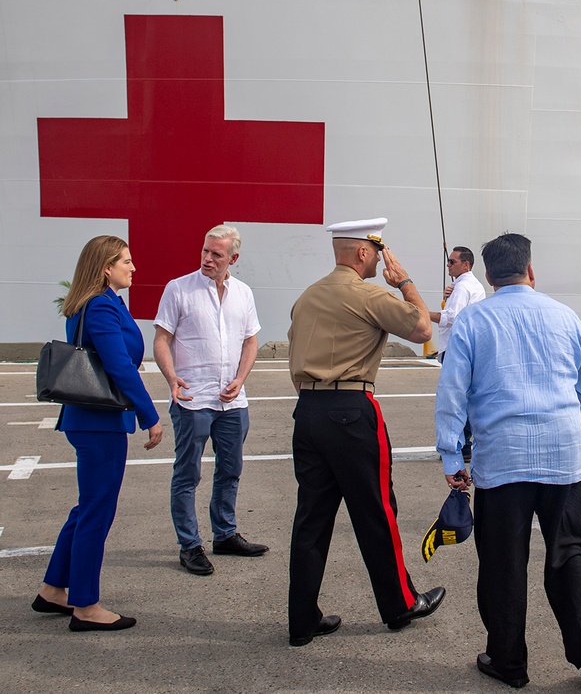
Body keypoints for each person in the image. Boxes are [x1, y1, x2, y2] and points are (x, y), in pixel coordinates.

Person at [436, 232, 581, 688]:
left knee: (503, 563)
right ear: (531, 271)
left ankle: (509, 663)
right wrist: (570, 406)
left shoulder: (474, 321)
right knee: (569, 552)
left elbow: (452, 394)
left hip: (503, 463)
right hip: (565, 458)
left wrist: (452, 454)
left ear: (488, 276)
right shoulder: (563, 315)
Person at [286, 217, 444, 647]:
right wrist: (405, 282)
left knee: (311, 519)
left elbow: (294, 361)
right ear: (362, 253)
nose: (380, 259)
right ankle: (400, 604)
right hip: (350, 411)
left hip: (309, 410)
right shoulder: (367, 293)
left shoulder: (307, 297)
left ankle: (301, 620)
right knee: (376, 513)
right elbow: (422, 328)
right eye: (377, 251)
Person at [34, 235, 162, 632]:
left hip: (89, 420)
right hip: (100, 422)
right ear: (106, 268)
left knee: (86, 507)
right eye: (126, 261)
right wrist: (150, 414)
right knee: (97, 512)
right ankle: (85, 605)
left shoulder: (95, 303)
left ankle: (54, 589)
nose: (133, 267)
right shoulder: (102, 306)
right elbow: (120, 367)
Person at [153, 225, 267, 576]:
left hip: (232, 402)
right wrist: (172, 378)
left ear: (233, 258)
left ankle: (225, 534)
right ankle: (189, 545)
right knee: (187, 474)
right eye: (205, 251)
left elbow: (251, 341)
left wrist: (240, 379)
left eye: (217, 254)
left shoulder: (243, 293)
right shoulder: (179, 289)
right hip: (192, 399)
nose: (207, 258)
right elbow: (161, 339)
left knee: (230, 470)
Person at [430, 246, 486, 459]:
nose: (448, 264)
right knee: (466, 397)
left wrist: (422, 314)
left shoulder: (462, 288)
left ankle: (460, 446)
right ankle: (465, 445)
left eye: (452, 261)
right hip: (467, 348)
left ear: (466, 265)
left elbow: (452, 317)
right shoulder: (468, 285)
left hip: (456, 349)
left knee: (455, 399)